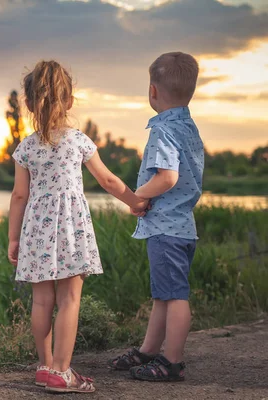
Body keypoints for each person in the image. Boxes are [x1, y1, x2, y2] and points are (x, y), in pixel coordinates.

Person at [8, 60, 149, 393]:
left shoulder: (26, 147)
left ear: (27, 104)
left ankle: (45, 368)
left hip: (36, 231)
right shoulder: (78, 140)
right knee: (69, 299)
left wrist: (14, 238)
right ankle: (62, 371)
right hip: (70, 227)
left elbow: (18, 196)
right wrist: (134, 201)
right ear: (69, 101)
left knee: (41, 301)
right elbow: (108, 179)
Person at [109, 52, 204, 382]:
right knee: (164, 294)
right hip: (182, 227)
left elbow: (167, 177)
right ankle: (150, 351)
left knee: (175, 295)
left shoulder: (162, 131)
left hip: (167, 227)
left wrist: (139, 197)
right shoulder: (189, 127)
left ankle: (172, 362)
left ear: (152, 91)